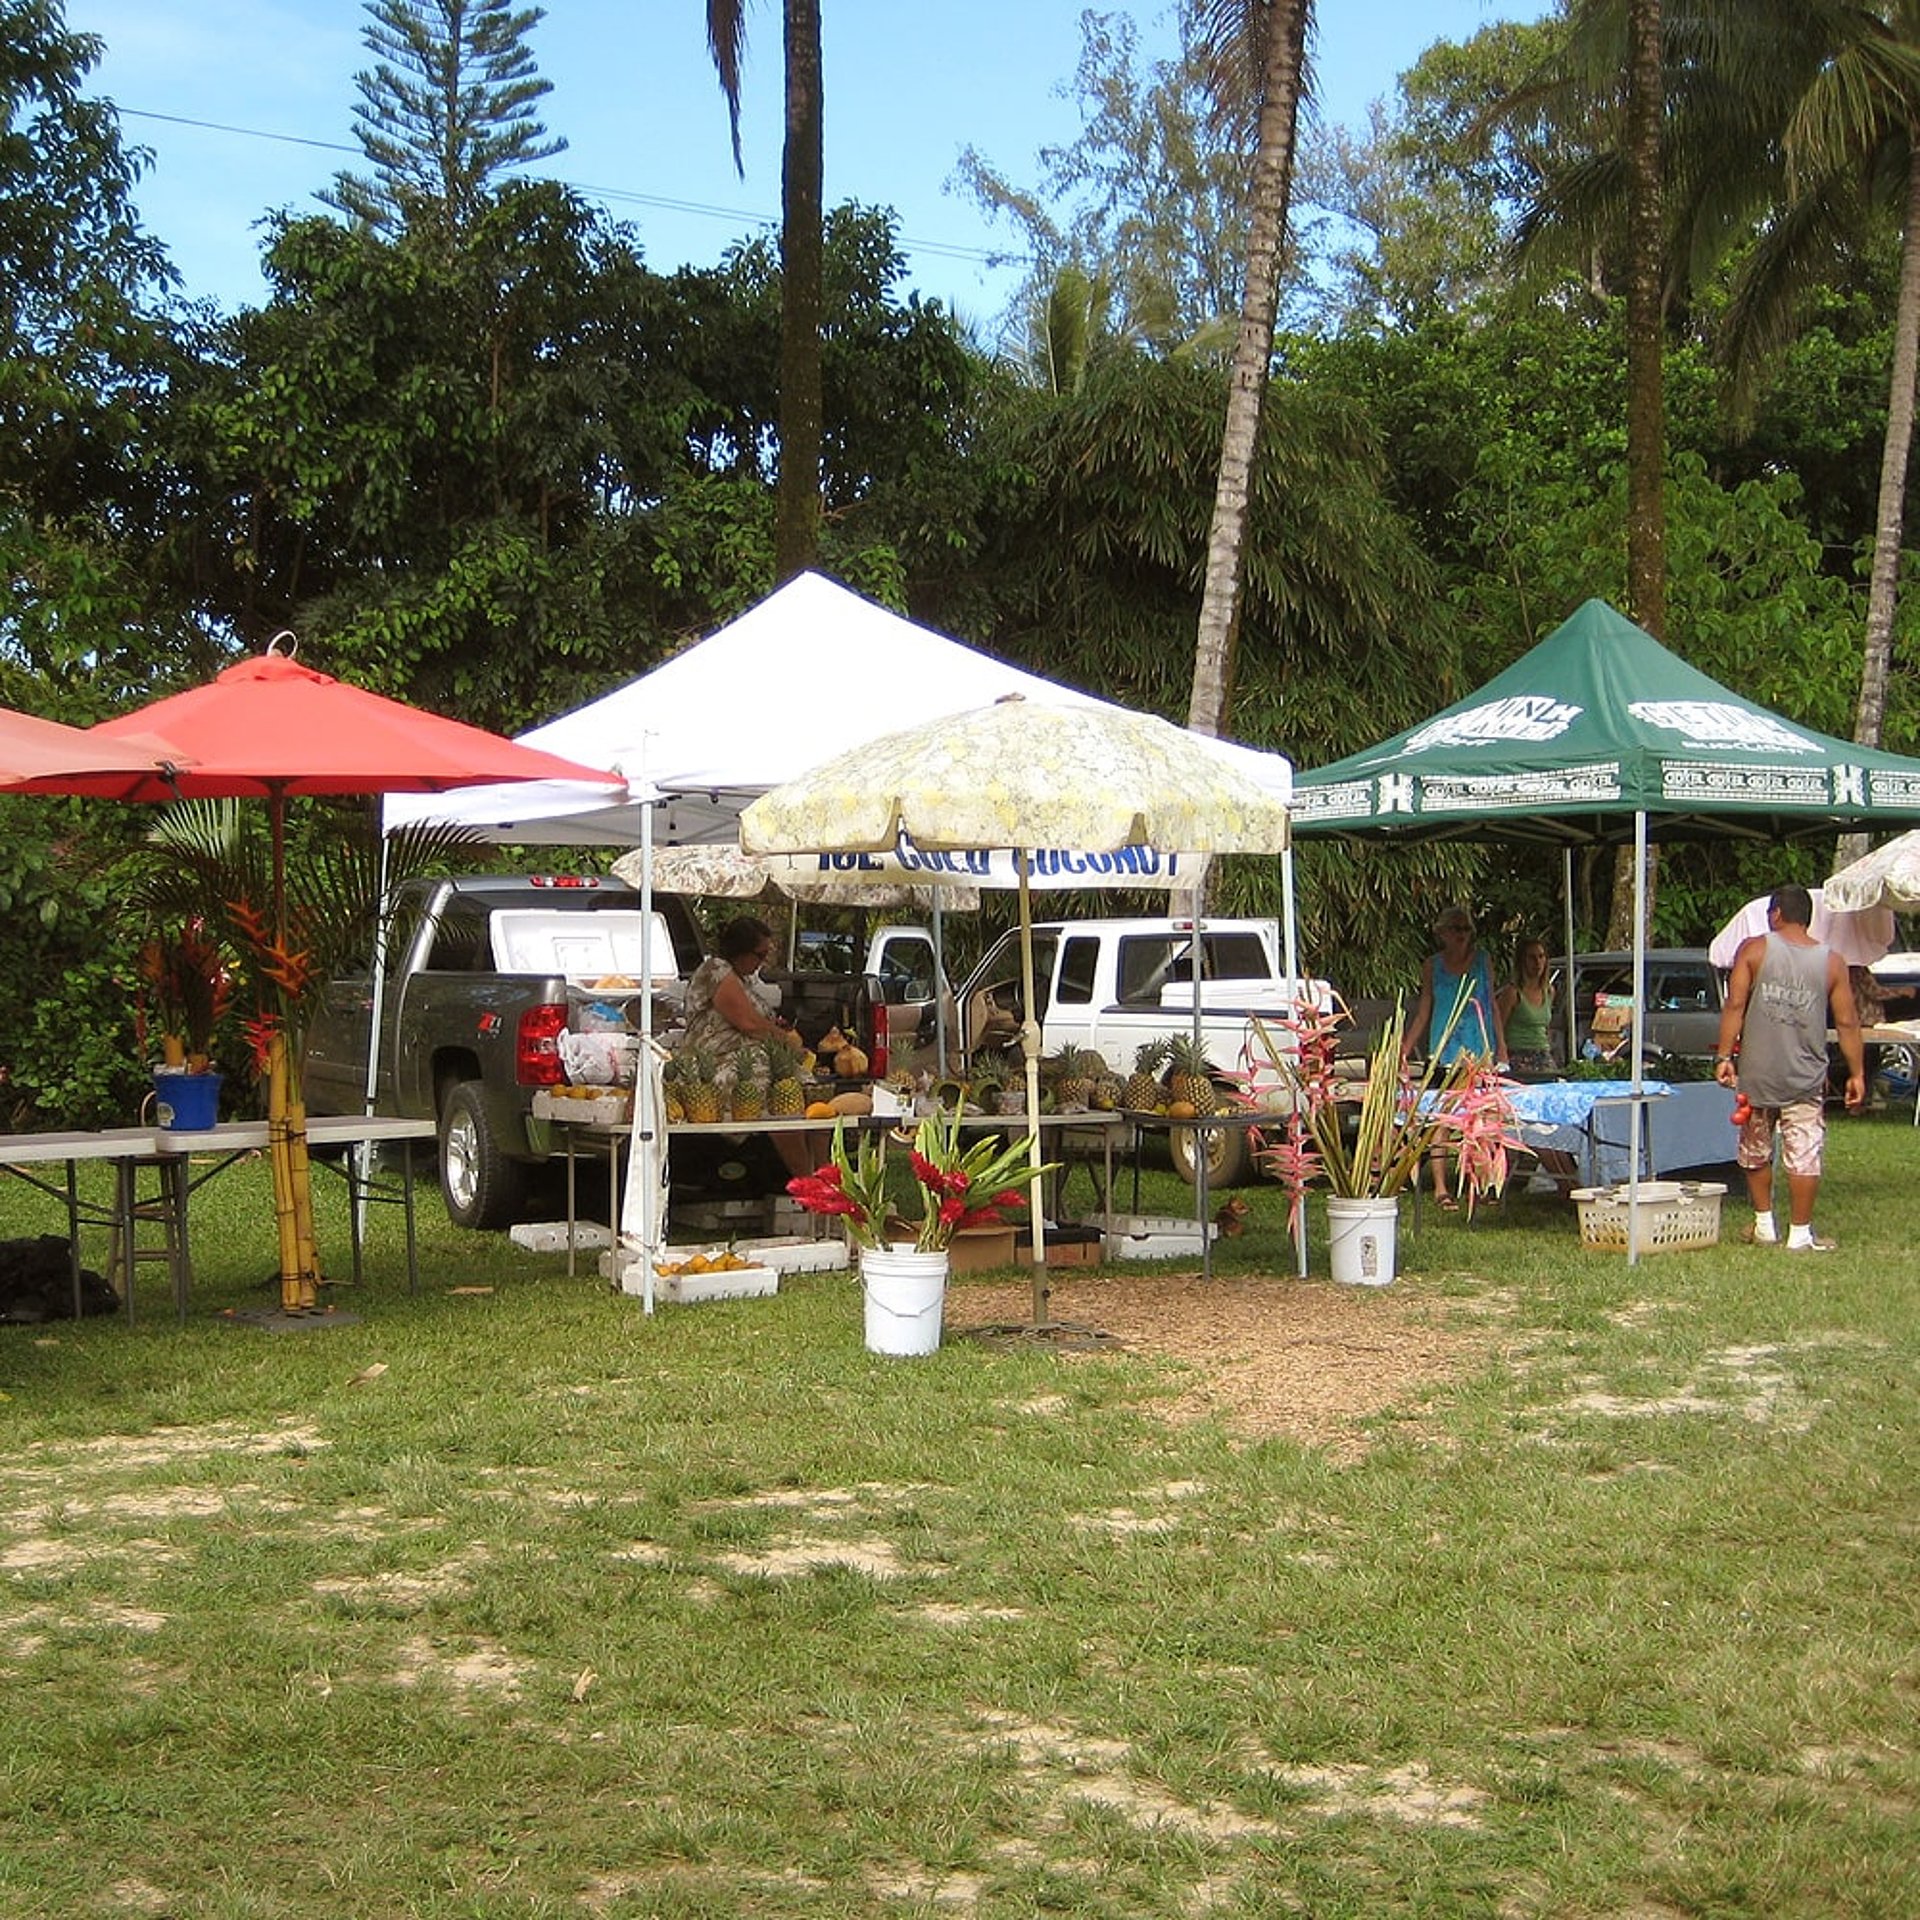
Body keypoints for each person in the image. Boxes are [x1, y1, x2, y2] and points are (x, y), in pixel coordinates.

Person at [1714, 883, 1865, 1251]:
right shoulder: (1832, 962)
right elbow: (1847, 1022)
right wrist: (1857, 1074)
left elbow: (1734, 1006)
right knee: (1804, 1151)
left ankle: (1764, 1224)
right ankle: (1800, 1234)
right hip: (1805, 1074)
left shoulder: (1753, 950)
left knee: (1755, 1147)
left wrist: (1724, 1057)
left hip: (1757, 1071)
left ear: (1777, 913)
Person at [677, 915, 816, 1177]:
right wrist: (787, 1040)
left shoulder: (744, 980)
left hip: (760, 1057)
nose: (762, 961)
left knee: (815, 1095)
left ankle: (824, 1175)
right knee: (778, 1100)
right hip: (718, 1064)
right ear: (740, 950)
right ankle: (806, 1179)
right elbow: (748, 1023)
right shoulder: (716, 970)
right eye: (759, 954)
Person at [1404, 906, 1508, 1210]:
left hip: (1479, 1050)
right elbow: (1425, 1009)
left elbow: (1492, 1005)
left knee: (1482, 1119)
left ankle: (1482, 1183)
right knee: (1442, 1119)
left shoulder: (1483, 961)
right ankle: (1441, 1187)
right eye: (1456, 929)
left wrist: (1502, 1047)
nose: (1462, 935)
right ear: (1443, 933)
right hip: (1444, 1051)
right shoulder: (1432, 966)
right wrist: (1405, 1049)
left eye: (1466, 929)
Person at [1497, 936, 1558, 1077]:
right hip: (1518, 1054)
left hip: (1543, 1054)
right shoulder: (1512, 993)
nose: (1537, 962)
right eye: (1531, 957)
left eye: (1541, 957)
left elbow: (1546, 1028)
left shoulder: (1549, 991)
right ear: (1522, 961)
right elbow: (1497, 1028)